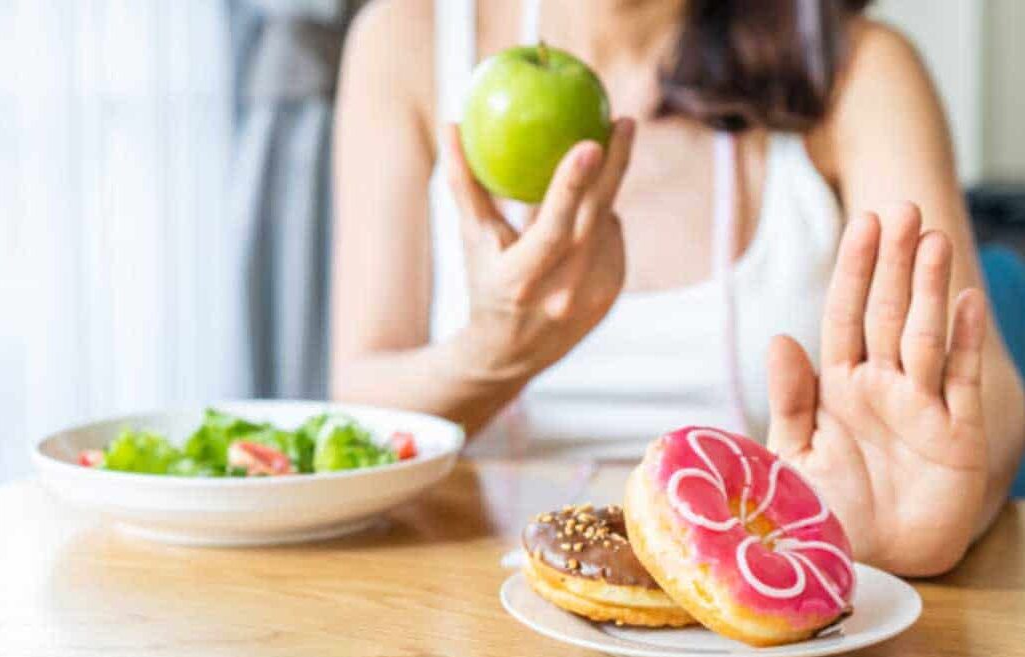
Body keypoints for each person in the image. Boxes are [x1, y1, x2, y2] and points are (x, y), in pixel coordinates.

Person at [330, 0, 1025, 576]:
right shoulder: (406, 41)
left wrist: (912, 525)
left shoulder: (855, 67)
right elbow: (356, 411)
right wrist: (492, 352)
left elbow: (980, 406)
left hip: (765, 607)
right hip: (458, 605)